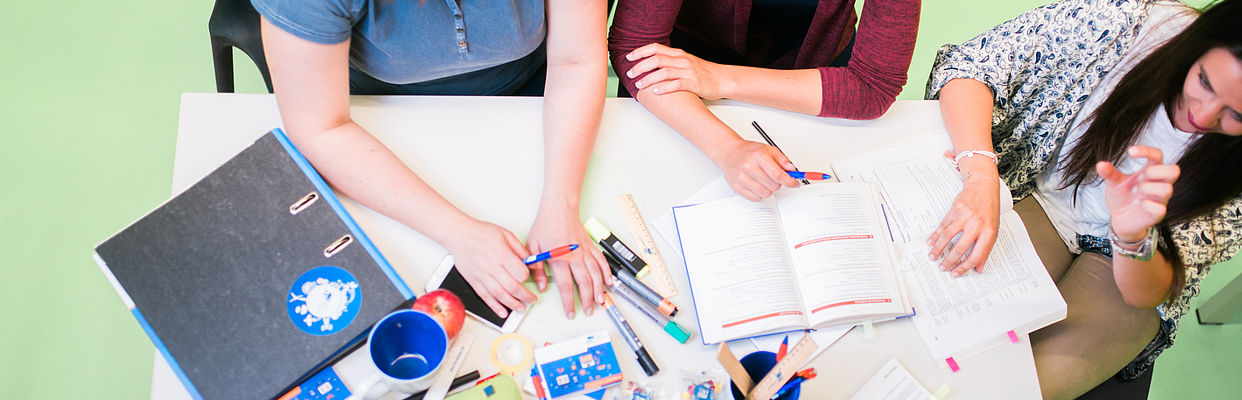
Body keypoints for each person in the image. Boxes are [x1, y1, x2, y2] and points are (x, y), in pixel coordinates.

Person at [923, 0, 1242, 397]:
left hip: (1135, 263)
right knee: (936, 322)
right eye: (1205, 80)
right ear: (1202, 39)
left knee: (1014, 390)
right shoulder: (1124, 25)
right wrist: (979, 173)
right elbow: (970, 66)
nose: (1202, 116)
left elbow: (1149, 291)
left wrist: (1133, 232)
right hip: (1044, 200)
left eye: (1240, 116)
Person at [252, 0, 612, 320]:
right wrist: (457, 233)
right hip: (377, 114)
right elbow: (320, 128)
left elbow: (575, 61)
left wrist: (561, 205)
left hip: (528, 98)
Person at [608, 0, 921, 201]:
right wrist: (727, 148)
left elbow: (872, 85)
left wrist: (719, 78)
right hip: (678, 71)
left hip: (812, 77)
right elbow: (635, 49)